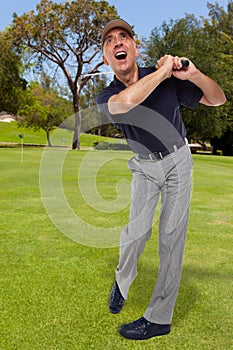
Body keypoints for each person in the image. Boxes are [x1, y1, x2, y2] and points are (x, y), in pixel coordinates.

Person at [96, 19, 226, 341]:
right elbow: (125, 104)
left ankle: (159, 318)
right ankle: (123, 281)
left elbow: (218, 99)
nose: (118, 43)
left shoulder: (169, 82)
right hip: (144, 166)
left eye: (124, 37)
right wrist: (162, 72)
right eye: (110, 41)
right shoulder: (108, 94)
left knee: (171, 239)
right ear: (106, 59)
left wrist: (192, 74)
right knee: (135, 234)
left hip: (178, 160)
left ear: (135, 47)